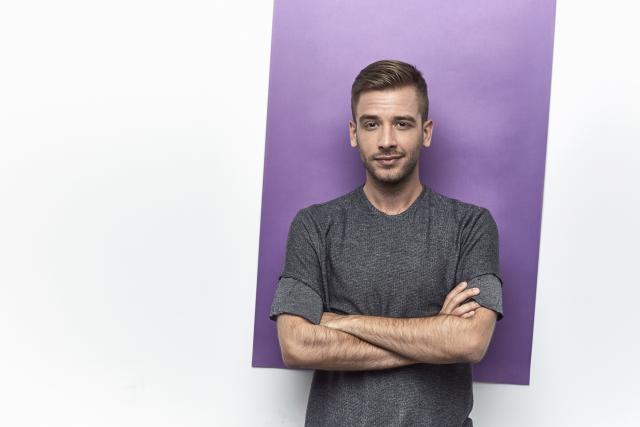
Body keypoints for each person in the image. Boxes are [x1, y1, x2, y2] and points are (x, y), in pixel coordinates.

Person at [269, 59, 504, 427]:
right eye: (371, 124)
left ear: (426, 132)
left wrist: (342, 321)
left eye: (403, 123)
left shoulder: (470, 226)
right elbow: (296, 345)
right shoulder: (314, 226)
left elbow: (471, 342)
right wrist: (435, 336)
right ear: (353, 133)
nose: (386, 140)